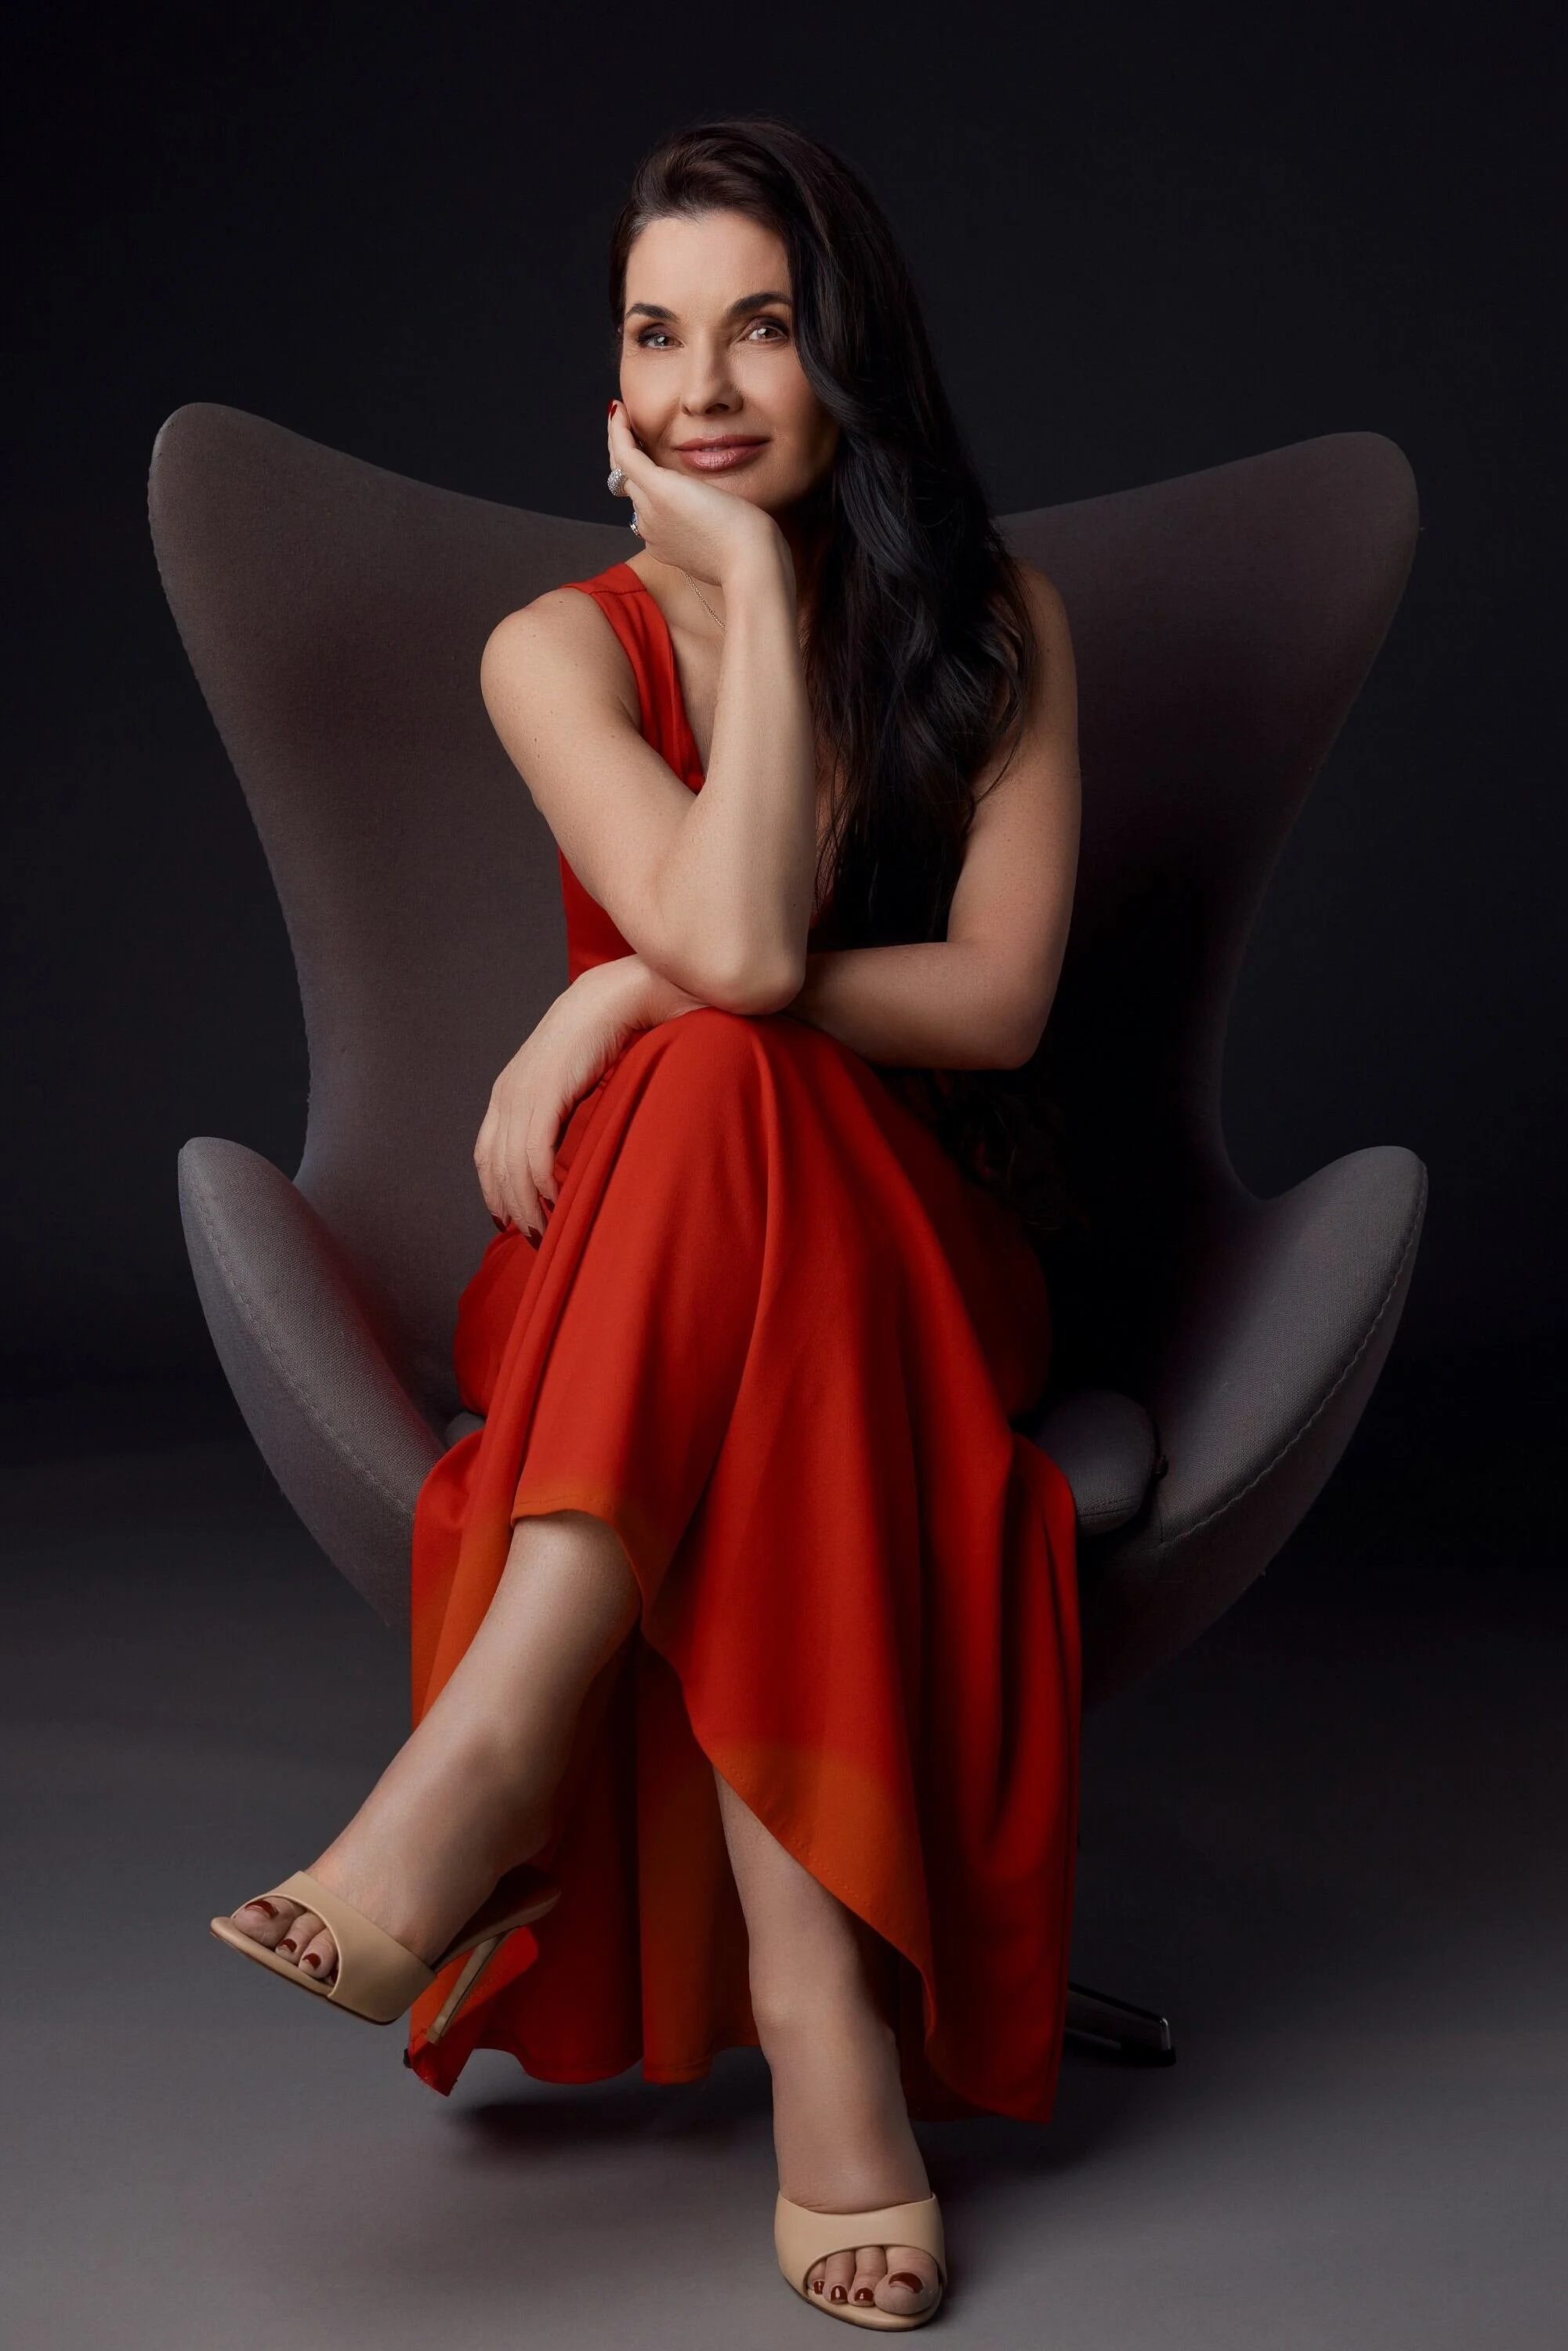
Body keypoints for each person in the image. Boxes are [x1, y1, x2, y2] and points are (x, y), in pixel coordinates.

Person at [211, 117, 1082, 2331]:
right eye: (654, 335)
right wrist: (689, 957)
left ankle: (484, 1761)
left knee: (709, 1049)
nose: (702, 386)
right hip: (623, 1274)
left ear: (846, 353)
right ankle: (823, 2035)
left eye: (761, 328)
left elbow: (982, 1004)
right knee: (716, 1075)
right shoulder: (549, 650)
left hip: (913, 1254)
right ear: (609, 379)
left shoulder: (999, 627)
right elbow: (747, 948)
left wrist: (614, 985)